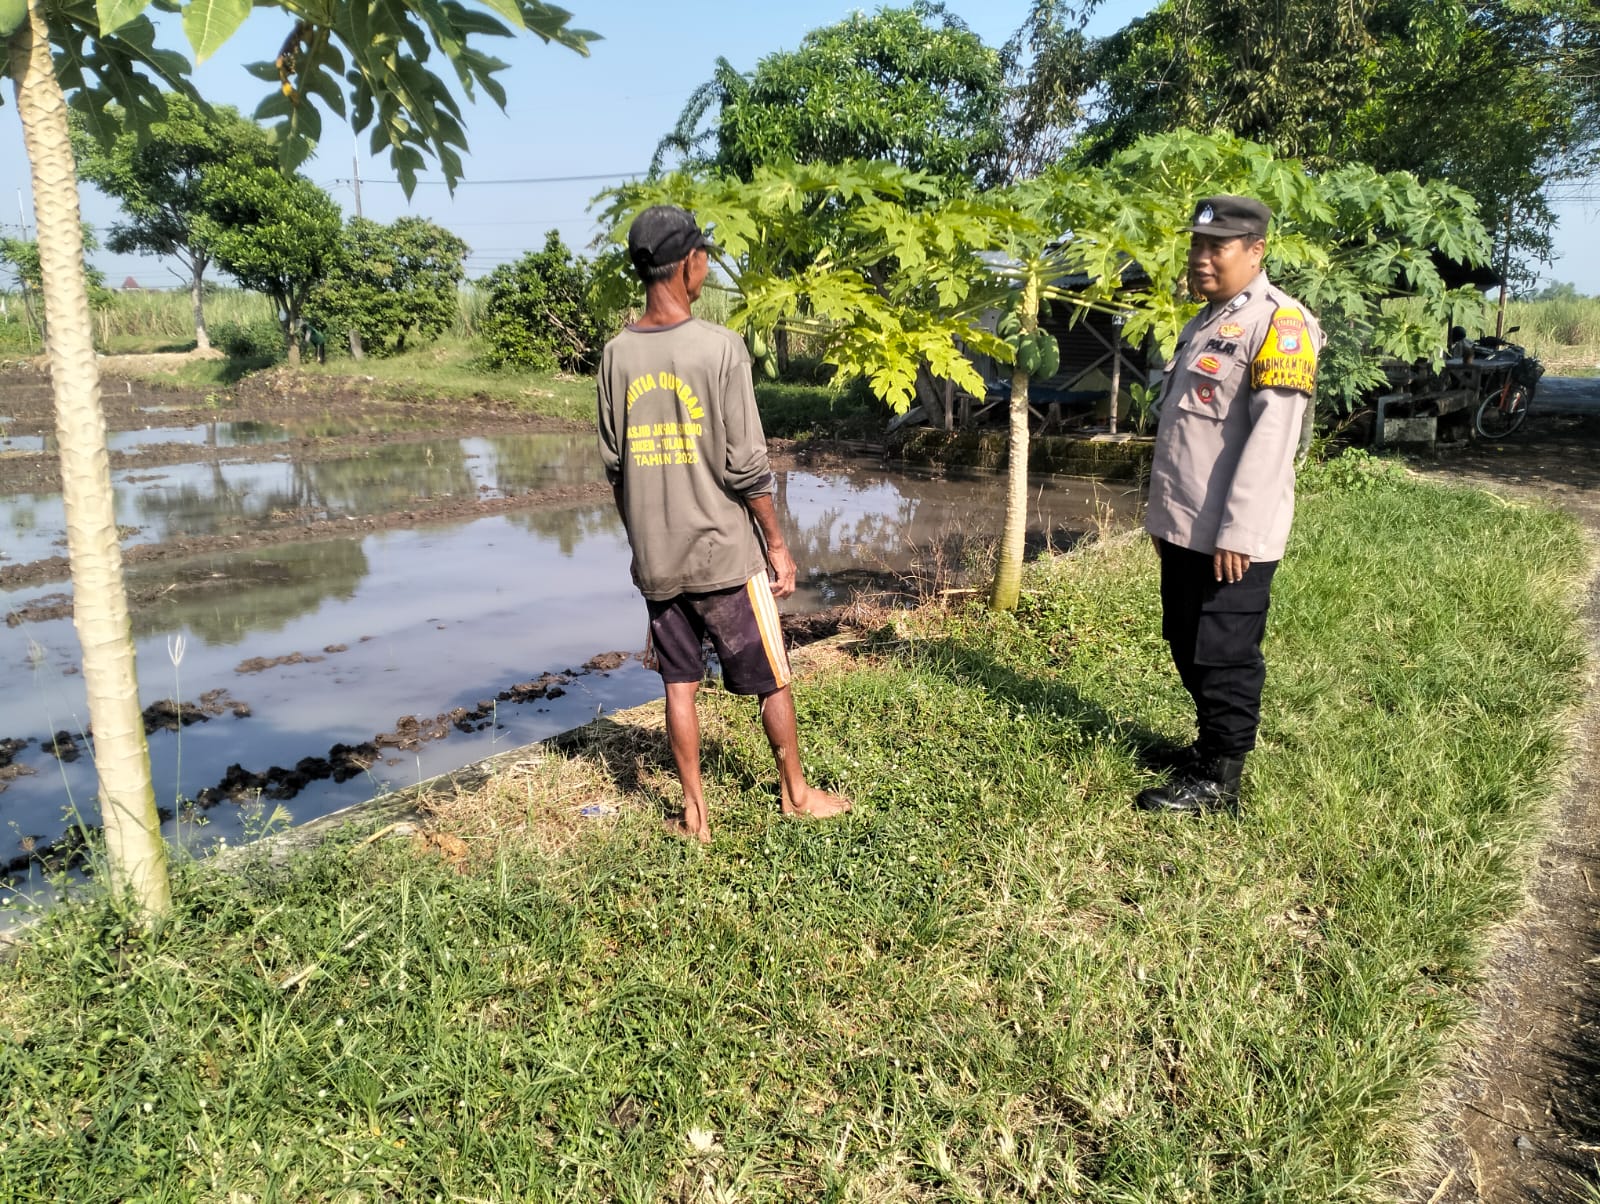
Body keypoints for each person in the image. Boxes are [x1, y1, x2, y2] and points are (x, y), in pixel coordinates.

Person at [597, 204, 852, 842]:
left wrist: (641, 548)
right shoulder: (720, 348)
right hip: (723, 556)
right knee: (773, 677)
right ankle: (795, 794)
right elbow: (745, 466)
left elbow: (618, 470)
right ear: (689, 265)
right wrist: (777, 543)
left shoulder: (615, 356)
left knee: (679, 685)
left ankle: (694, 814)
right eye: (703, 257)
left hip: (660, 562)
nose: (705, 266)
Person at [1137, 195, 1323, 814]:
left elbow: (1274, 441)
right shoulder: (1208, 321)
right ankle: (1207, 745)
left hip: (1231, 534)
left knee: (1225, 650)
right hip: (1187, 522)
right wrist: (1162, 519)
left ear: (1256, 251)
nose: (1201, 258)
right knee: (1185, 636)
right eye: (1196, 245)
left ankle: (1222, 779)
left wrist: (1239, 531)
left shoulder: (1280, 324)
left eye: (1216, 247)